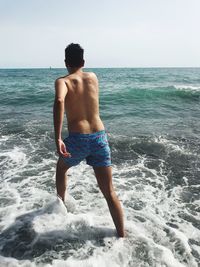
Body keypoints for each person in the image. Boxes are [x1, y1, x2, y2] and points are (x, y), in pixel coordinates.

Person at [53, 43, 124, 237]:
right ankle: (122, 235)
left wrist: (58, 137)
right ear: (83, 61)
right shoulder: (93, 77)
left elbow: (60, 101)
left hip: (78, 138)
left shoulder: (63, 81)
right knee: (109, 191)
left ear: (65, 62)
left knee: (61, 168)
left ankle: (60, 208)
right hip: (100, 136)